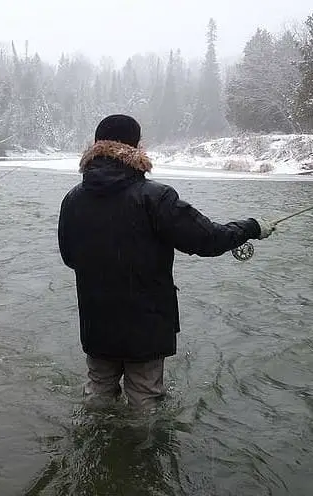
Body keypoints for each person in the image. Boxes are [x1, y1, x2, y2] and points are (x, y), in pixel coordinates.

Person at [58, 114, 275, 409]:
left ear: (95, 147)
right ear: (136, 146)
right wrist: (250, 227)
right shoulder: (155, 196)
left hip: (96, 319)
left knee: (97, 393)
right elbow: (208, 240)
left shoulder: (73, 199)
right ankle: (141, 453)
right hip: (145, 322)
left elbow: (70, 257)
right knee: (145, 400)